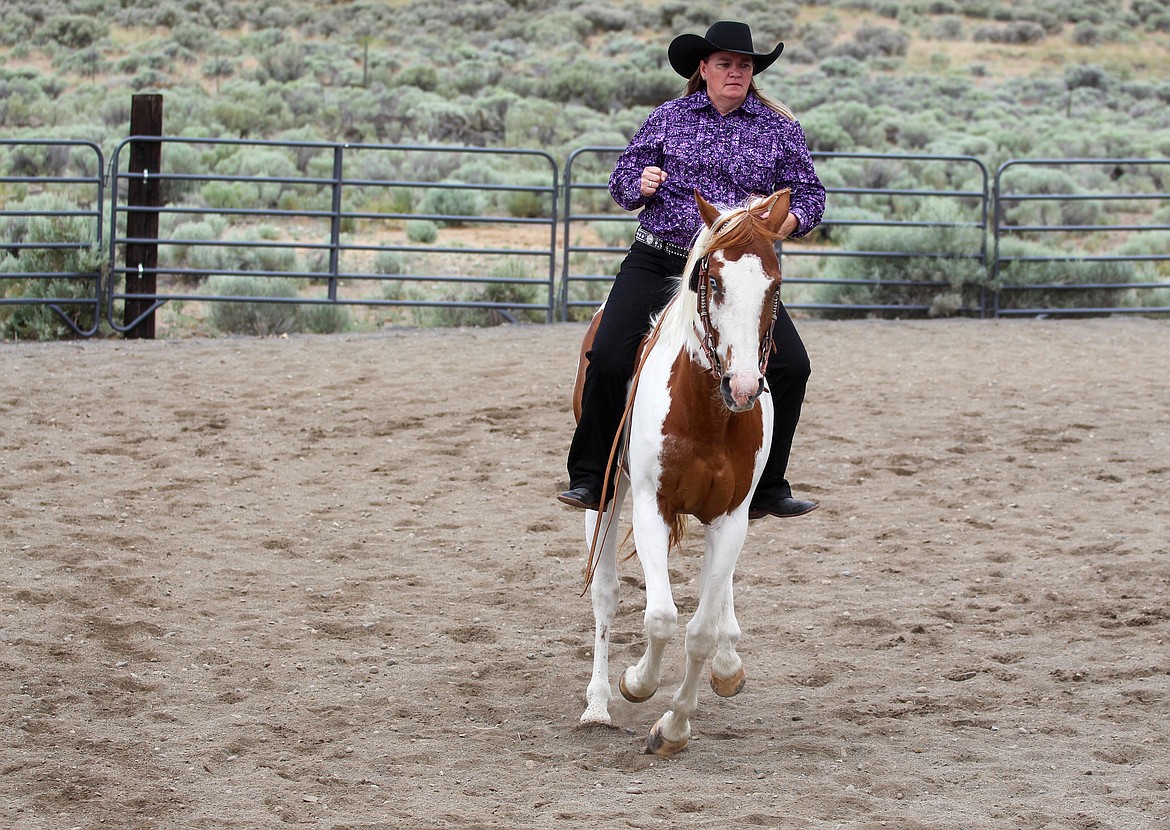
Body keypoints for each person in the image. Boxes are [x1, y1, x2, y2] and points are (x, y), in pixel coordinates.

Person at [559, 20, 826, 520]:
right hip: (660, 257)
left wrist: (781, 223)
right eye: (724, 63)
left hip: (733, 271)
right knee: (610, 352)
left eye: (744, 65)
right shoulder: (667, 117)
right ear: (702, 69)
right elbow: (619, 185)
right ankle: (592, 474)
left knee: (793, 365)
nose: (735, 72)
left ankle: (769, 485)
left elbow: (811, 195)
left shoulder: (779, 129)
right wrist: (639, 183)